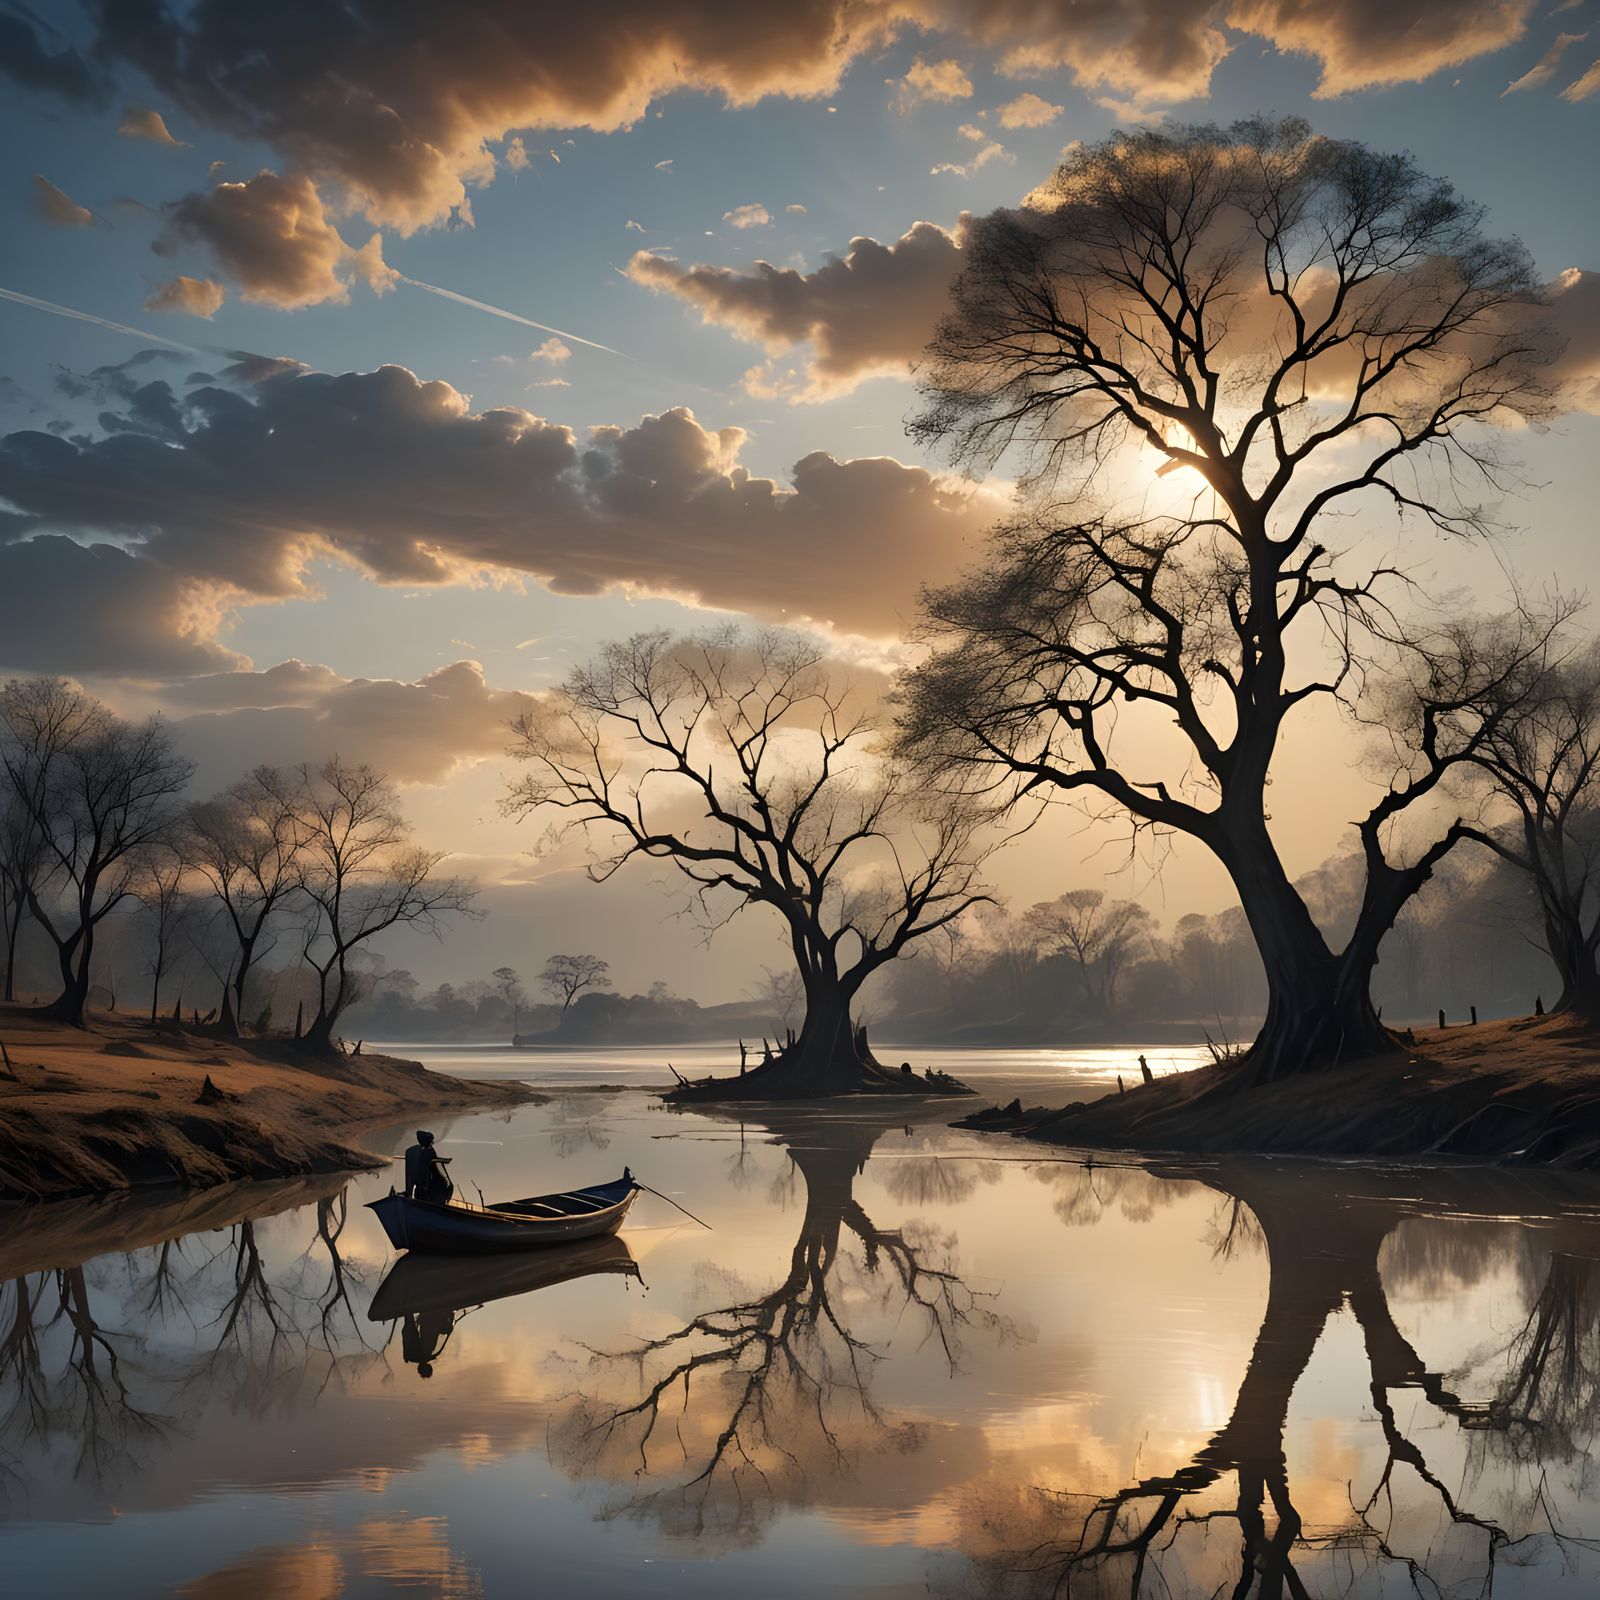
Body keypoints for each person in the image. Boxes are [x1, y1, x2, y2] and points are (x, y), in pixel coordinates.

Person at [403, 1130, 454, 1203]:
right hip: (425, 1193)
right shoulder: (421, 1151)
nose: (432, 1143)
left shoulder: (417, 1151)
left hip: (428, 1193)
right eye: (430, 1141)